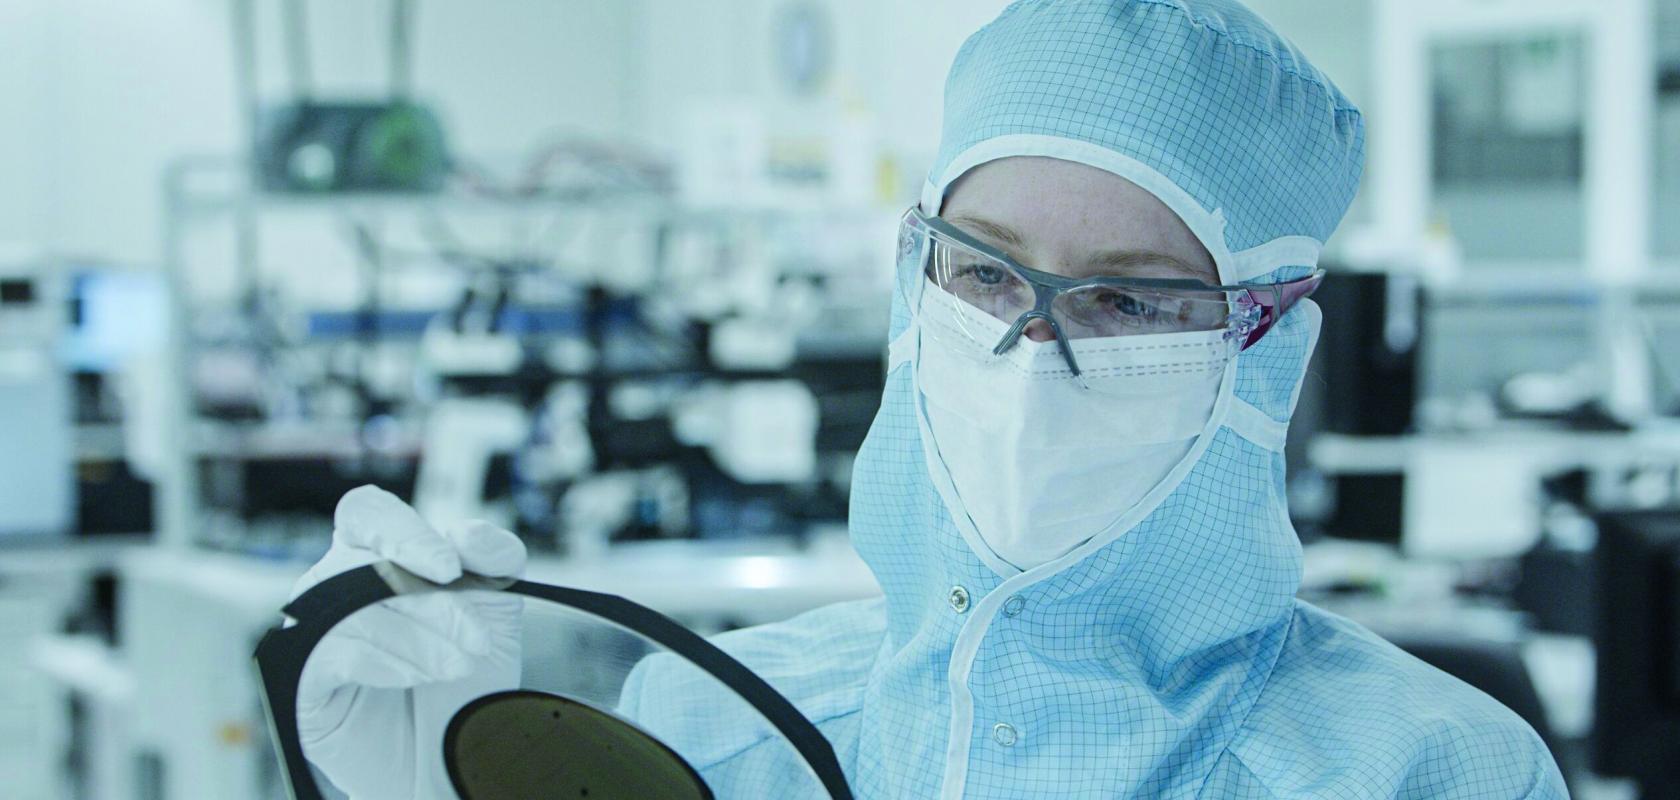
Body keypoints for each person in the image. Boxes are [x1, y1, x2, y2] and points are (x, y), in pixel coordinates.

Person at [290, 0, 1569, 797]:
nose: (1028, 348)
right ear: (916, 279)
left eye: (1129, 300)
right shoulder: (717, 730)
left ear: (1265, 350)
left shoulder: (1430, 773)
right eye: (983, 269)